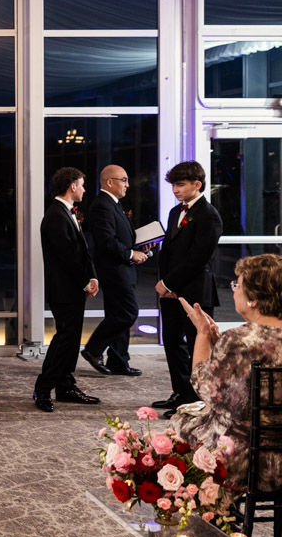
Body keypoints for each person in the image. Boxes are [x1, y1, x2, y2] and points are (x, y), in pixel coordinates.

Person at [172, 253, 282, 493]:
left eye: (238, 285)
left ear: (253, 299)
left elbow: (205, 388)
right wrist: (218, 346)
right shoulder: (236, 342)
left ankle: (212, 518)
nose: (234, 291)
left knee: (180, 423)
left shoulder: (240, 340)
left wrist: (202, 334)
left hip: (247, 461)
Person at [153, 161, 223, 419]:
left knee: (197, 346)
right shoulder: (174, 212)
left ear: (197, 185)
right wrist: (166, 284)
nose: (175, 190)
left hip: (194, 292)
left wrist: (169, 283)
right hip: (172, 291)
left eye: (180, 185)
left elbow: (197, 258)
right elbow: (169, 252)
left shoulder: (209, 216)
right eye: (173, 185)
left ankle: (197, 401)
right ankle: (181, 393)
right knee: (172, 342)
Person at [33, 167, 101, 412]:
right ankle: (43, 388)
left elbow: (82, 251)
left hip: (73, 288)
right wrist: (86, 281)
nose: (84, 189)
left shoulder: (66, 213)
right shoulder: (55, 216)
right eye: (82, 185)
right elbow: (67, 257)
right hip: (64, 289)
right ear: (72, 186)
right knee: (64, 340)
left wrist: (91, 277)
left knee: (71, 340)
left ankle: (65, 386)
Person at [80, 165, 147, 377]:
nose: (128, 184)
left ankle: (119, 361)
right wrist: (130, 254)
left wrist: (141, 246)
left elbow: (121, 237)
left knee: (118, 314)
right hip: (114, 271)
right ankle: (93, 349)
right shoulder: (102, 206)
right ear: (110, 182)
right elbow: (107, 241)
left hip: (122, 270)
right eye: (124, 180)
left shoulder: (114, 204)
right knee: (128, 313)